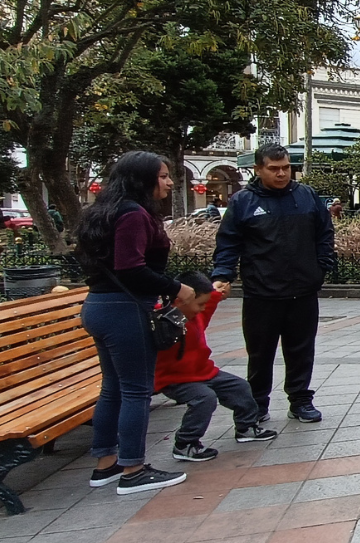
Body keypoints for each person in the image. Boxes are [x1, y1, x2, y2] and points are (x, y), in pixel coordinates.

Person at [74, 151, 196, 494]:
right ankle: (133, 468)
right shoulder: (133, 214)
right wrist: (177, 288)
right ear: (141, 180)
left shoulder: (105, 212)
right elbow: (131, 267)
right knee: (136, 390)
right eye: (162, 176)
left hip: (100, 305)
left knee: (113, 388)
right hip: (124, 309)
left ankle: (105, 465)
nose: (169, 182)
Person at [212, 144, 335, 424]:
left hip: (302, 289)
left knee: (301, 350)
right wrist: (223, 274)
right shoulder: (243, 201)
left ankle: (300, 399)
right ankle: (258, 404)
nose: (282, 174)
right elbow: (228, 242)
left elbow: (324, 233)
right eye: (274, 169)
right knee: (260, 353)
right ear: (258, 169)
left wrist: (321, 267)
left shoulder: (306, 196)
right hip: (261, 293)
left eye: (286, 168)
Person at [156, 272, 278, 462]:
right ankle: (186, 443)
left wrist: (216, 291)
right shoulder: (164, 321)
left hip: (204, 372)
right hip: (175, 379)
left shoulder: (195, 313)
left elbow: (207, 304)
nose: (202, 309)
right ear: (181, 301)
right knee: (204, 399)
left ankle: (246, 427)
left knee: (240, 387)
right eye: (200, 304)